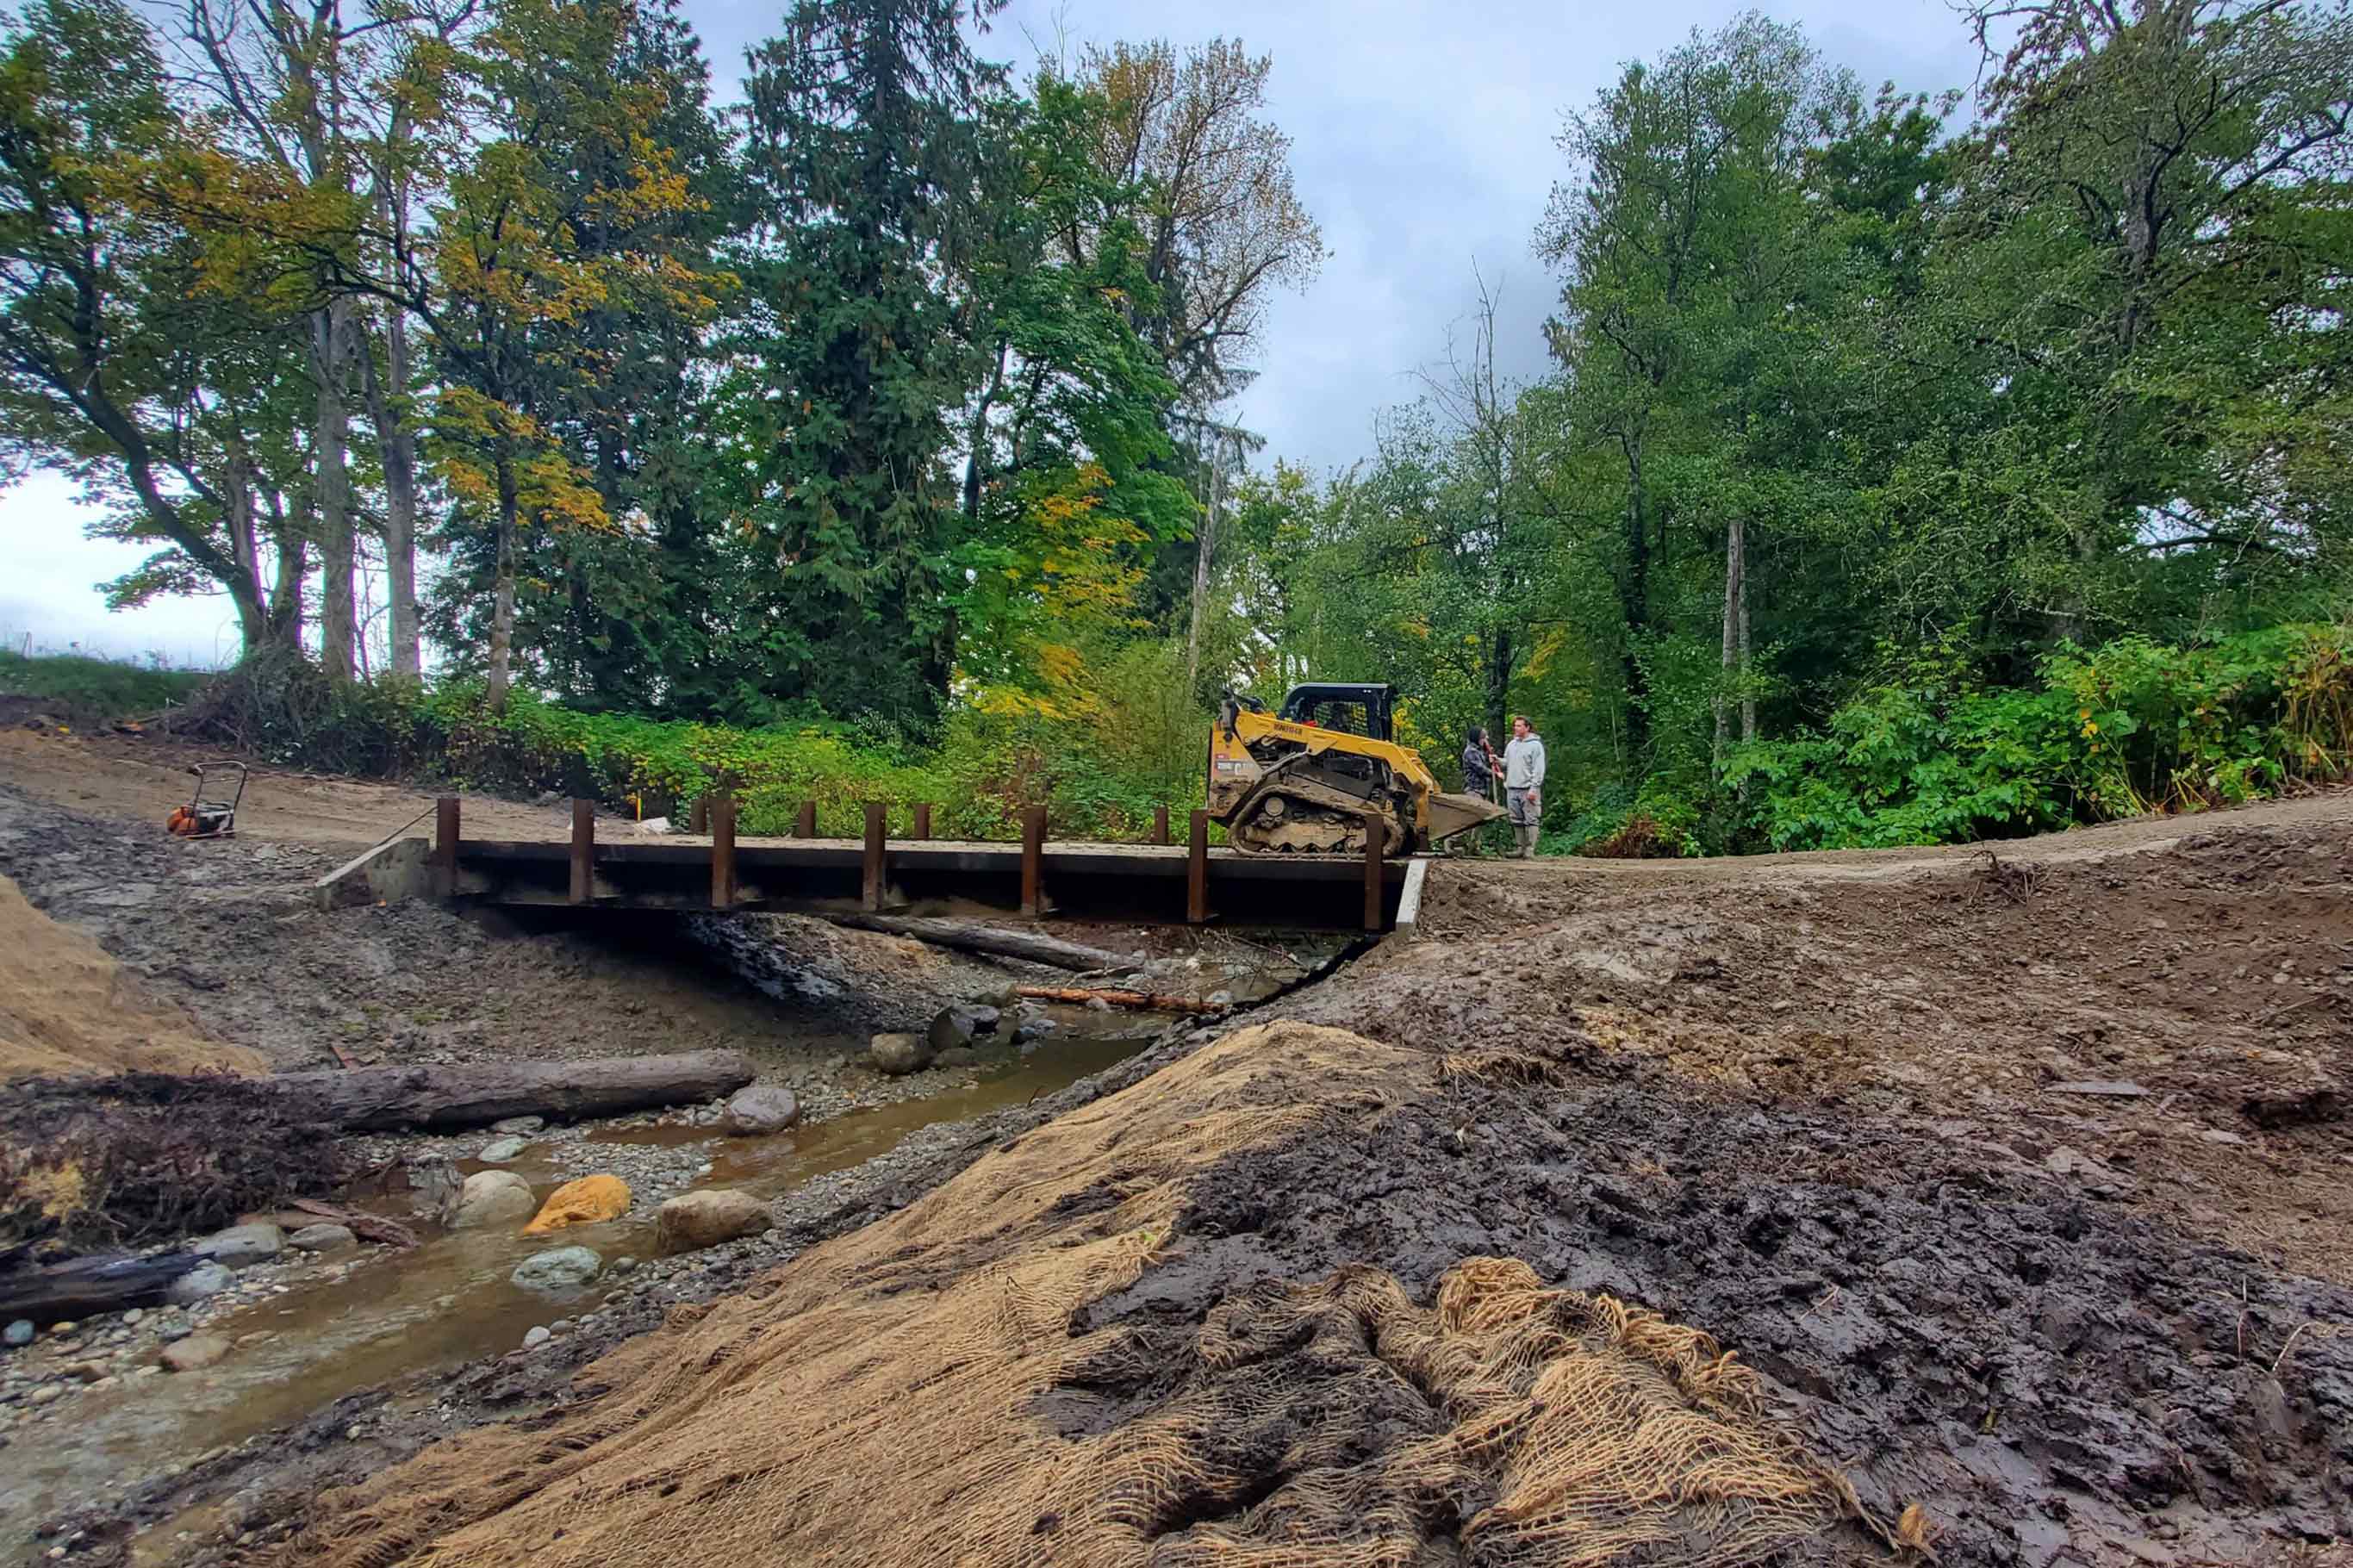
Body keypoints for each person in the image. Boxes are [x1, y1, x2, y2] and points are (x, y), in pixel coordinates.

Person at [1500, 715, 1545, 860]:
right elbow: (1506, 762)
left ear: (1527, 727)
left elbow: (1538, 769)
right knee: (1516, 820)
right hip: (1512, 788)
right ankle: (1520, 848)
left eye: (1519, 725)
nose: (1516, 728)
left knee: (1531, 819)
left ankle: (1530, 849)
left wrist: (1534, 788)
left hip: (1528, 789)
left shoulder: (1535, 745)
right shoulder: (1511, 744)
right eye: (1515, 725)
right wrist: (1497, 760)